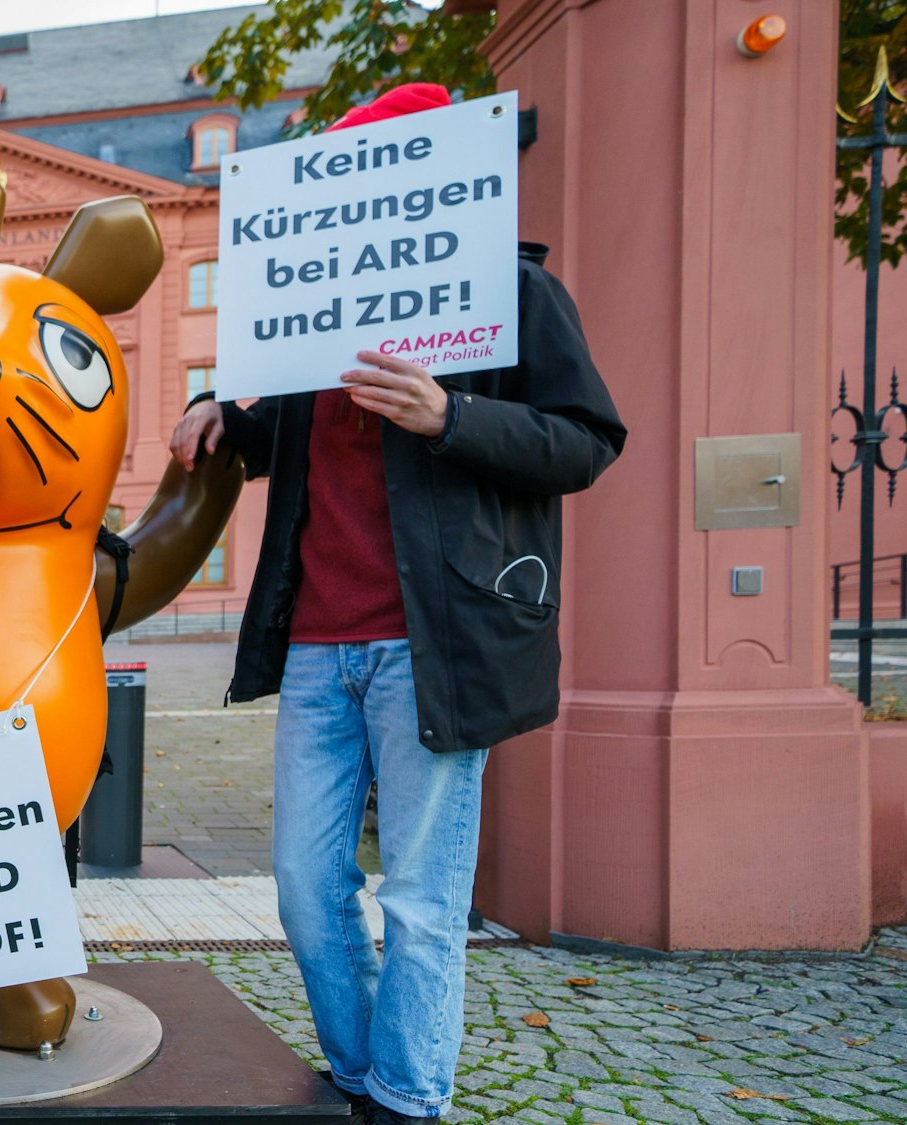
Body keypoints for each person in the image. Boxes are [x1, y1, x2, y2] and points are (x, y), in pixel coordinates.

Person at [169, 83, 626, 1124]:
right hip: (316, 650)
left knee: (420, 900)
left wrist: (447, 413)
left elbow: (585, 442)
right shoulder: (308, 316)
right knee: (301, 888)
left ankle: (404, 1099)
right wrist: (212, 410)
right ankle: (355, 1065)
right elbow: (271, 440)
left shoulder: (509, 293)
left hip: (434, 645)